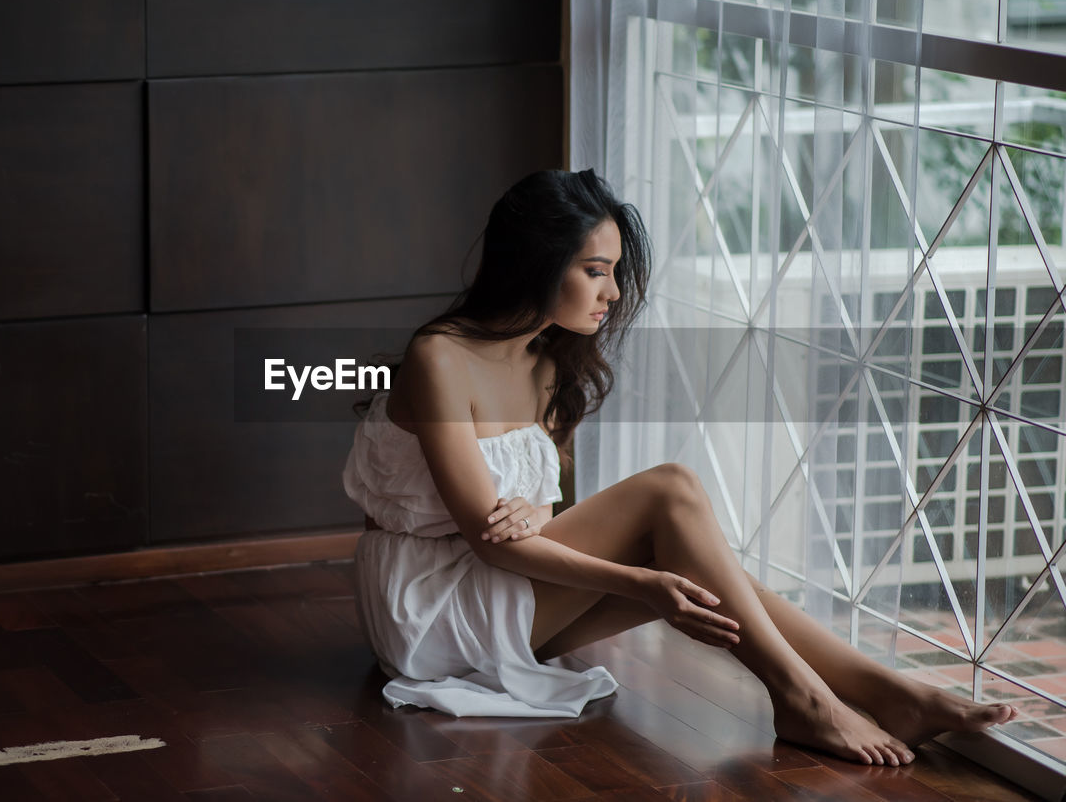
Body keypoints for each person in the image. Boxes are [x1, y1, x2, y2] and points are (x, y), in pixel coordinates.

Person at [342, 169, 1017, 766]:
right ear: (536, 262)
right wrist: (644, 583)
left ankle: (892, 693)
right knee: (672, 494)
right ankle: (801, 697)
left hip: (497, 587)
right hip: (427, 605)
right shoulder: (440, 357)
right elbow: (489, 534)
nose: (610, 292)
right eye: (594, 269)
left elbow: (531, 515)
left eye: (613, 270)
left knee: (709, 572)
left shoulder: (549, 364)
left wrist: (551, 521)